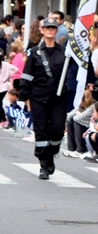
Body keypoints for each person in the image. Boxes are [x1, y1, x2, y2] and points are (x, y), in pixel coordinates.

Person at [19, 15, 68, 179]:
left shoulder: (64, 52)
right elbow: (27, 75)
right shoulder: (34, 52)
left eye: (53, 28)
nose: (50, 30)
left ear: (56, 30)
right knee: (41, 131)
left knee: (57, 131)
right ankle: (43, 164)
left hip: (58, 97)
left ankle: (52, 153)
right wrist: (24, 96)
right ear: (42, 30)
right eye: (47, 28)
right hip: (38, 97)